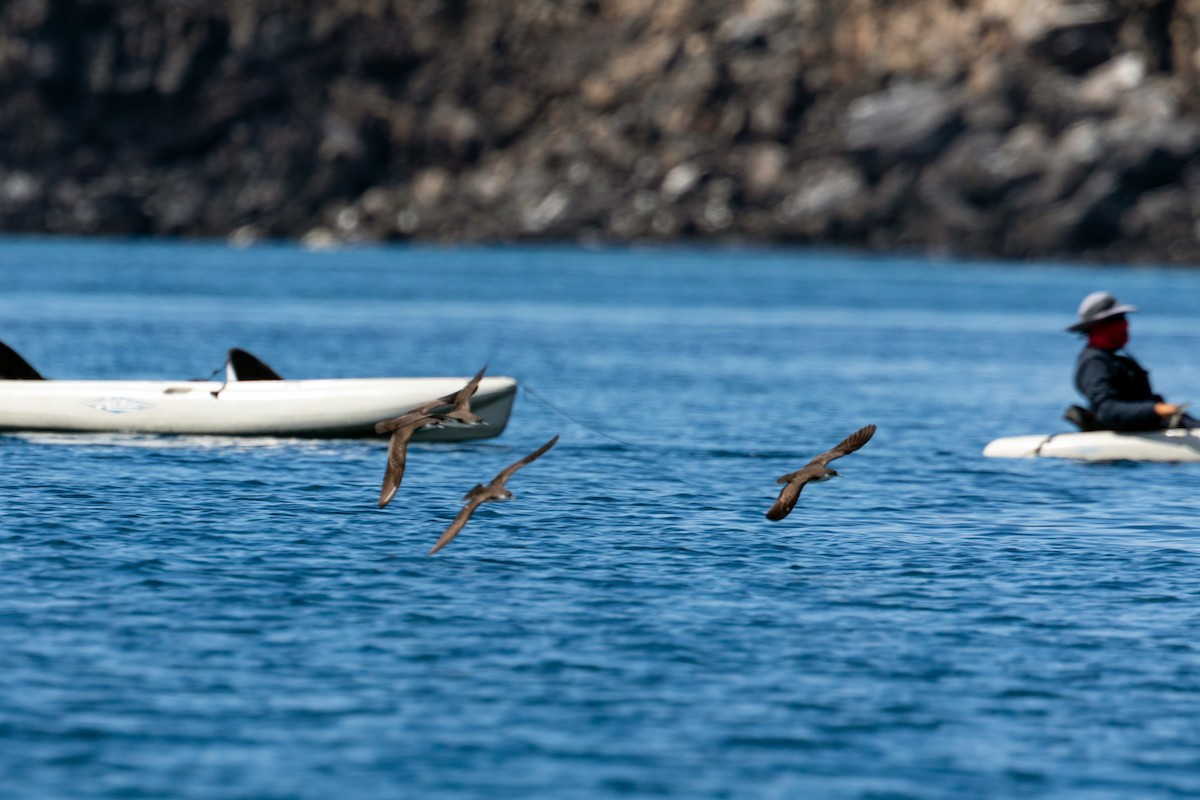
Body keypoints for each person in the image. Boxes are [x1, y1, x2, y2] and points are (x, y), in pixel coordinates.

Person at [1067, 291, 1190, 431]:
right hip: (1124, 436)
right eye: (1114, 320)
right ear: (1096, 327)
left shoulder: (1117, 359)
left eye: (1122, 318)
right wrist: (1156, 409)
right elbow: (1106, 410)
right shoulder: (1094, 362)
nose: (1122, 325)